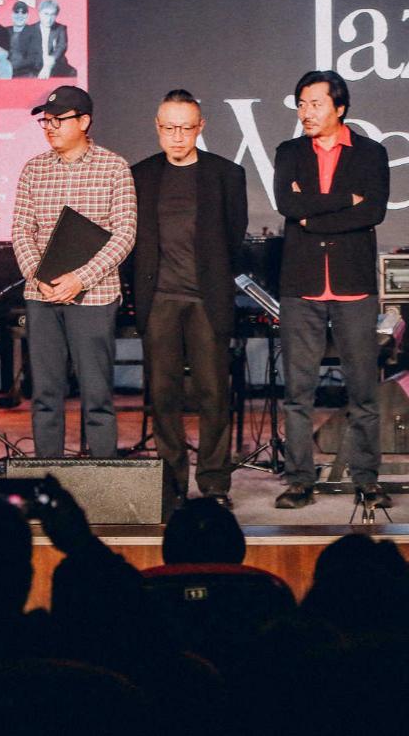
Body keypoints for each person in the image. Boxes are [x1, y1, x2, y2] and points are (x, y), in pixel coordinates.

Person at [271, 70, 390, 509]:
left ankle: (367, 479)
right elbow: (288, 205)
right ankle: (299, 480)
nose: (306, 112)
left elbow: (373, 211)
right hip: (301, 283)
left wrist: (313, 216)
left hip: (352, 283)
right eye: (301, 104)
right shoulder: (289, 152)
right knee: (298, 391)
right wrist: (344, 201)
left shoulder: (371, 153)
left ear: (340, 107)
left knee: (363, 390)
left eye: (315, 104)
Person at [131, 90, 248, 508]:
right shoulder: (140, 175)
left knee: (213, 393)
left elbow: (234, 237)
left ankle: (214, 483)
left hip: (206, 299)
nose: (177, 136)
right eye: (169, 128)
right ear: (157, 127)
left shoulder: (226, 174)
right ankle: (171, 484)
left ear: (201, 128)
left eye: (185, 128)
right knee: (163, 395)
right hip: (159, 298)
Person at [11, 85, 136, 458]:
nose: (50, 128)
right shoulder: (34, 169)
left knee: (97, 393)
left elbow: (124, 234)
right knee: (45, 393)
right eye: (45, 122)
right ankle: (47, 475)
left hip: (95, 296)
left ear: (84, 121)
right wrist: (39, 277)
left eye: (58, 121)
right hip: (42, 295)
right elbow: (21, 230)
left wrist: (80, 278)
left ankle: (103, 474)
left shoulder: (113, 167)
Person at [35, 0, 76, 78]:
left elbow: (61, 46)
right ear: (39, 13)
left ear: (56, 15)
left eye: (52, 15)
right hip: (36, 65)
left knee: (72, 73)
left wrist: (49, 64)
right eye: (46, 14)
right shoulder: (31, 29)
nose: (49, 18)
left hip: (55, 64)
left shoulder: (61, 28)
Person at [7, 1, 43, 77]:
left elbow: (34, 58)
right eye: (16, 12)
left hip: (25, 73)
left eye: (23, 12)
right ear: (12, 15)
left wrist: (12, 67)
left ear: (27, 16)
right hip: (5, 72)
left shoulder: (34, 32)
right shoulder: (5, 31)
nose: (20, 15)